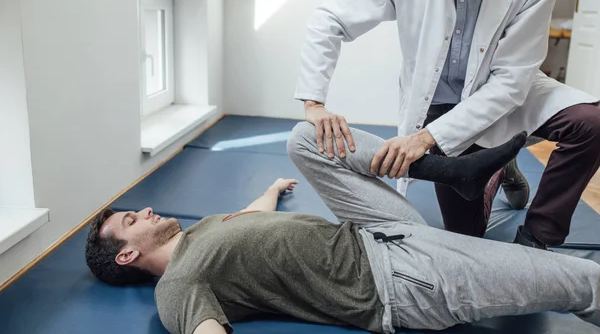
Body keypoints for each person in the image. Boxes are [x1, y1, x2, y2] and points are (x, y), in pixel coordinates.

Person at [85, 123, 600, 334]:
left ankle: (448, 170)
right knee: (580, 281)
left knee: (305, 137)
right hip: (397, 279)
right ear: (126, 256)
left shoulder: (205, 232)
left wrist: (275, 188)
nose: (146, 212)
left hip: (374, 229)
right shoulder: (178, 285)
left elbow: (254, 213)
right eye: (132, 221)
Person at [294, 0, 600, 250]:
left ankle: (537, 236)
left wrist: (422, 140)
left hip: (511, 89)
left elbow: (511, 81)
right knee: (464, 235)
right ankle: (501, 164)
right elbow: (329, 19)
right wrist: (314, 102)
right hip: (442, 104)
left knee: (591, 123)